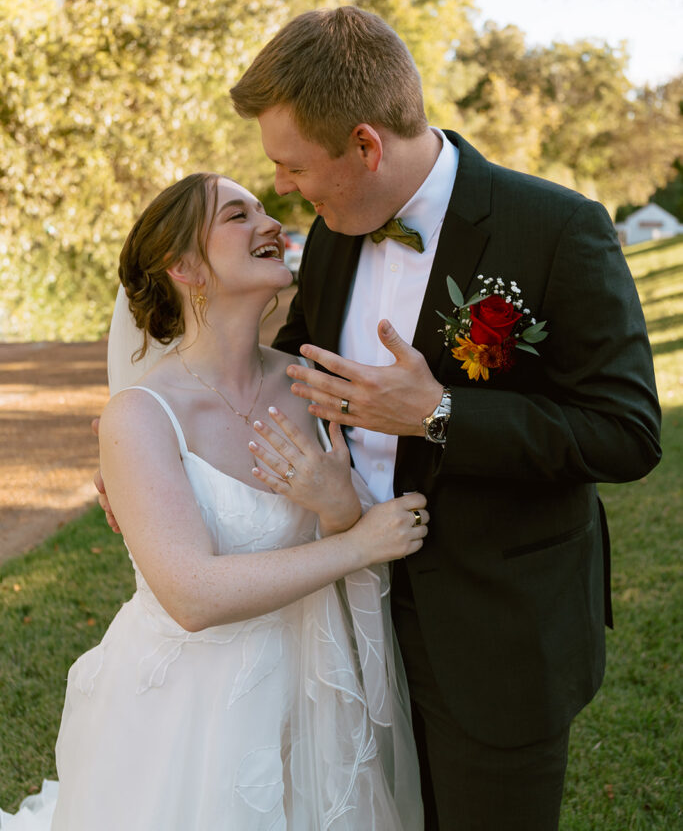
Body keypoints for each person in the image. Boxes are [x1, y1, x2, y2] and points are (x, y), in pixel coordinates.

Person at [225, 6, 662, 830]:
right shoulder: (331, 234)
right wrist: (163, 453)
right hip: (349, 620)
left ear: (365, 146)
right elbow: (282, 373)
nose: (280, 186)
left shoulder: (558, 229)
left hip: (496, 630)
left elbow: (627, 431)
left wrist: (443, 413)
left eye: (291, 165)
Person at [0, 172, 427, 830]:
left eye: (263, 210)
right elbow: (192, 594)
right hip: (192, 715)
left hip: (311, 688)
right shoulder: (141, 417)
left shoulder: (305, 387)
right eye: (237, 216)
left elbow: (341, 528)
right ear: (185, 267)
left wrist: (340, 507)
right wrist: (356, 542)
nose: (269, 225)